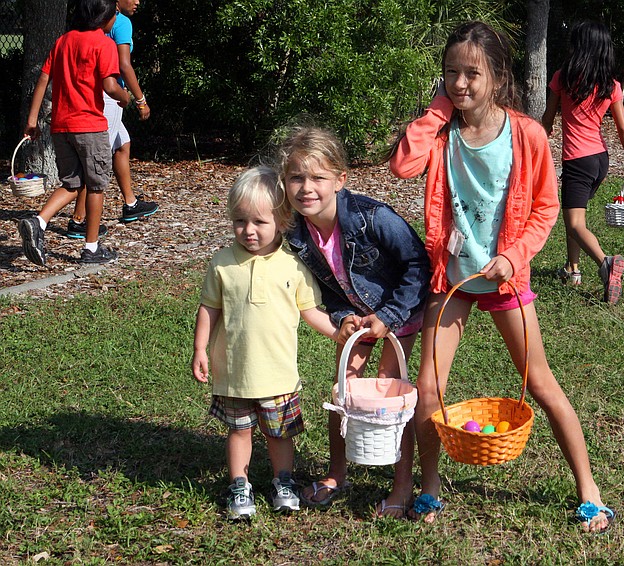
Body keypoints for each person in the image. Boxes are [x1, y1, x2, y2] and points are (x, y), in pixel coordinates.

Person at [388, 21, 615, 532]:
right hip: (452, 281)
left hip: (506, 281)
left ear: (497, 75)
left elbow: (546, 207)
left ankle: (589, 489)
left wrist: (515, 256)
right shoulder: (442, 132)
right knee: (427, 390)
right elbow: (403, 165)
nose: (460, 83)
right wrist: (436, 111)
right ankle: (427, 487)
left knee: (540, 384)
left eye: (472, 73)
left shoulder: (527, 134)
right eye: (451, 73)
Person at [279, 126, 431, 519]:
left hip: (402, 310)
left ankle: (401, 486)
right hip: (356, 316)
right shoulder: (296, 231)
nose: (306, 188)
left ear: (341, 180)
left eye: (318, 178)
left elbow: (418, 265)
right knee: (343, 391)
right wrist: (343, 316)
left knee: (391, 394)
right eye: (296, 177)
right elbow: (325, 285)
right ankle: (337, 473)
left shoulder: (372, 217)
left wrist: (389, 316)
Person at [191, 166, 340, 520]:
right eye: (240, 221)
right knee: (239, 430)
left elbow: (311, 311)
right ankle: (239, 485)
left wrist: (339, 332)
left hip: (278, 373)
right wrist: (200, 348)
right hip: (235, 372)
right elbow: (209, 309)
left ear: (282, 220)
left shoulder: (292, 265)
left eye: (259, 221)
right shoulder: (223, 263)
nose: (249, 230)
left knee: (280, 433)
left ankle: (282, 481)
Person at [17, 0, 130, 265]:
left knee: (72, 183)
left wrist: (32, 120)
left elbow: (44, 78)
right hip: (89, 125)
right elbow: (110, 85)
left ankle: (38, 221)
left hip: (61, 125)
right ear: (104, 18)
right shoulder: (104, 43)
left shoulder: (63, 41)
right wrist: (125, 97)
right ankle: (91, 249)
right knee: (96, 185)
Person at [541, 20, 624, 304]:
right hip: (600, 160)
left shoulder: (564, 78)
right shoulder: (611, 84)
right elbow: (623, 128)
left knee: (574, 223)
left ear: (579, 46)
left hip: (577, 160)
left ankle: (606, 263)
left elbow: (548, 120)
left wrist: (532, 146)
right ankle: (572, 269)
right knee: (576, 217)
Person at [67, 0, 158, 240]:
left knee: (122, 144)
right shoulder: (121, 22)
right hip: (111, 96)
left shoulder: (90, 23)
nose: (138, 1)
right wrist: (140, 99)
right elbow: (124, 65)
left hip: (93, 92)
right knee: (95, 160)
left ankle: (130, 203)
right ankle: (79, 220)